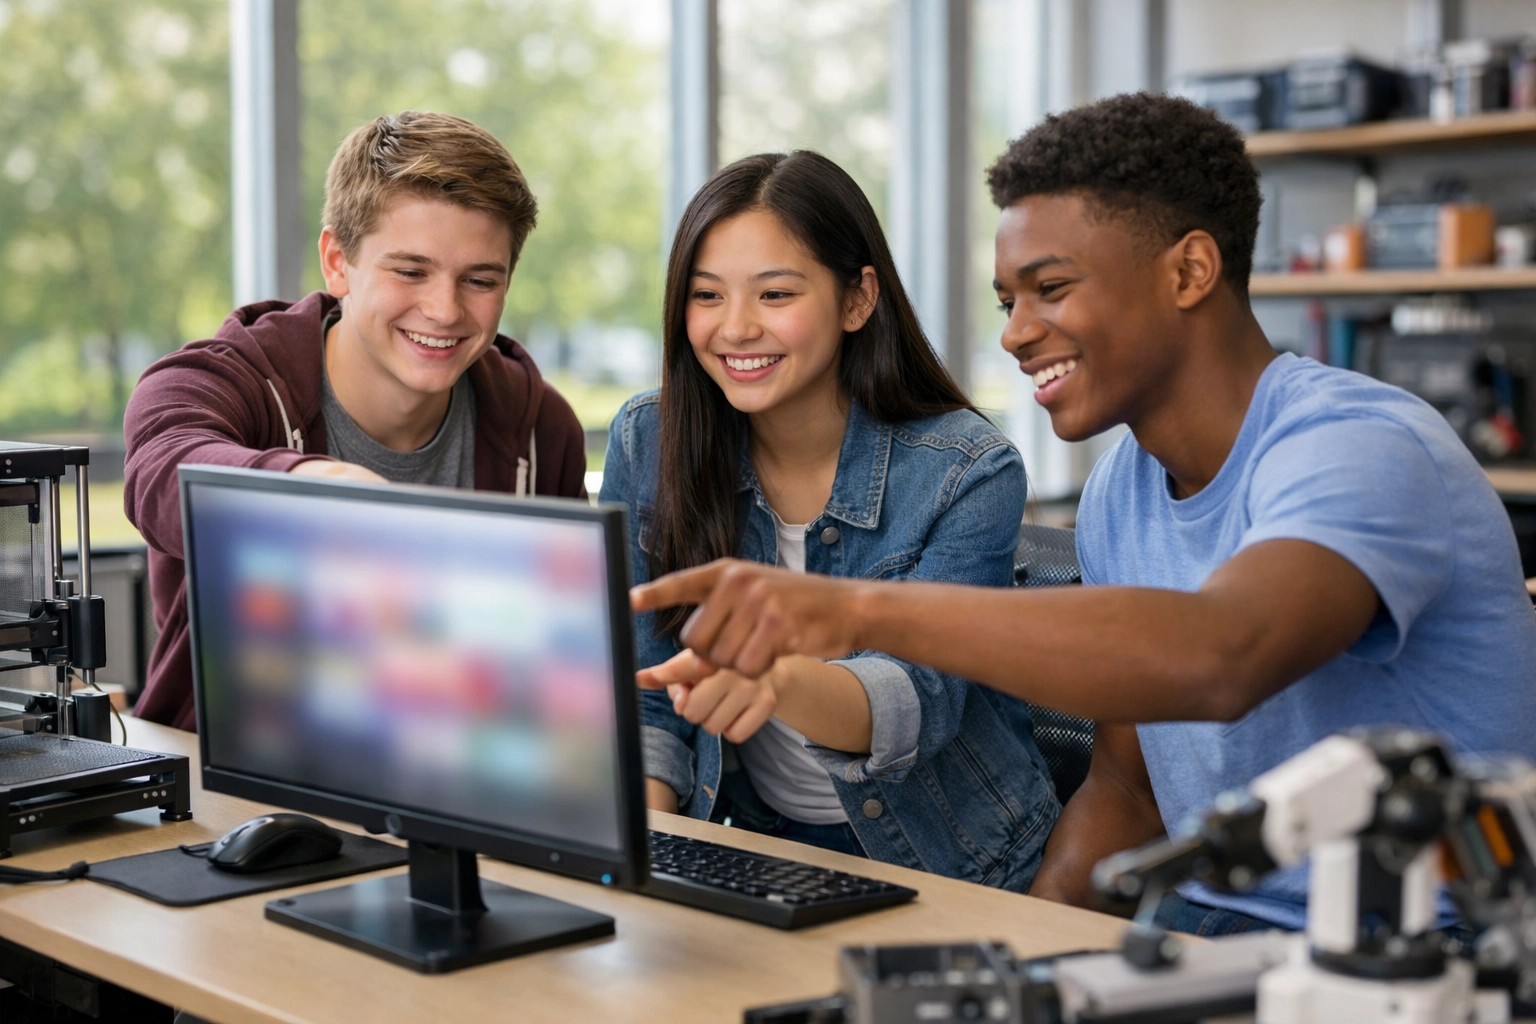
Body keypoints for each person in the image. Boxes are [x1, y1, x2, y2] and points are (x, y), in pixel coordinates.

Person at [631, 94, 1536, 934]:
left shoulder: (1359, 444)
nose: (1015, 332)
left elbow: (1225, 654)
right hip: (1211, 930)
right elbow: (1127, 793)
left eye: (1051, 288)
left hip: (1437, 946)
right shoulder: (1121, 492)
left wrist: (850, 609)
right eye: (1007, 301)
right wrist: (1024, 942)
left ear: (1189, 270)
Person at [601, 151, 1057, 888]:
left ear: (857, 300)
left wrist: (772, 677)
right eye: (707, 295)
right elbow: (649, 699)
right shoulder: (648, 440)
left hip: (959, 862)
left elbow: (916, 701)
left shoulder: (968, 470)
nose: (735, 328)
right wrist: (643, 862)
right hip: (759, 846)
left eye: (775, 294)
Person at [124, 111, 587, 731]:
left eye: (479, 280)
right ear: (337, 261)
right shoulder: (221, 383)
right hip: (239, 766)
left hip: (455, 765)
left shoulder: (542, 428)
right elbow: (160, 469)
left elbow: (562, 661)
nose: (444, 309)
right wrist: (321, 489)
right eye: (410, 271)